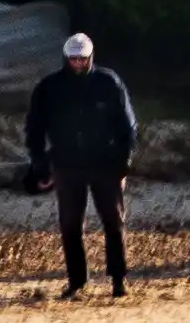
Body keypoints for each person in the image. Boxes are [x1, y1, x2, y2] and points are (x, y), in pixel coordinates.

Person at [24, 28, 139, 298]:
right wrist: (40, 163)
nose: (77, 63)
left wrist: (124, 163)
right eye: (73, 59)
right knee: (70, 224)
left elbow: (128, 126)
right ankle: (77, 281)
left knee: (113, 221)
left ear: (90, 57)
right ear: (65, 58)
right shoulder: (49, 88)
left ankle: (118, 279)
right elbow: (35, 128)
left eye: (82, 59)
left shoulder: (108, 83)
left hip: (105, 163)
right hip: (67, 163)